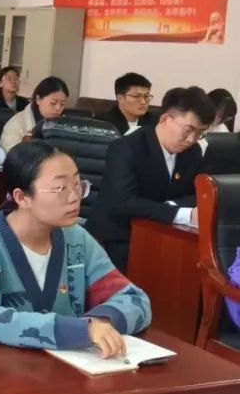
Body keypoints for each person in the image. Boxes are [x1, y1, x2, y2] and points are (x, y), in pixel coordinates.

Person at [0, 142, 151, 353]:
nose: (74, 197)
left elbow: (135, 300)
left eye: (77, 184)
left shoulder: (76, 238)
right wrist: (74, 330)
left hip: (62, 365)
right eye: (60, 188)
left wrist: (100, 322)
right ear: (22, 197)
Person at [87, 86, 214, 272]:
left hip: (163, 235)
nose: (192, 139)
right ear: (165, 119)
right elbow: (124, 202)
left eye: (200, 133)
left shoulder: (193, 152)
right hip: (118, 238)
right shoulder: (126, 147)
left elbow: (199, 193)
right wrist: (181, 214)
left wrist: (170, 206)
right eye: (188, 130)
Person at [0, 76, 69, 151]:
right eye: (53, 103)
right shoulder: (16, 125)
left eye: (62, 104)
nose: (58, 108)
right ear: (38, 99)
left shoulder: (66, 125)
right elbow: (12, 155)